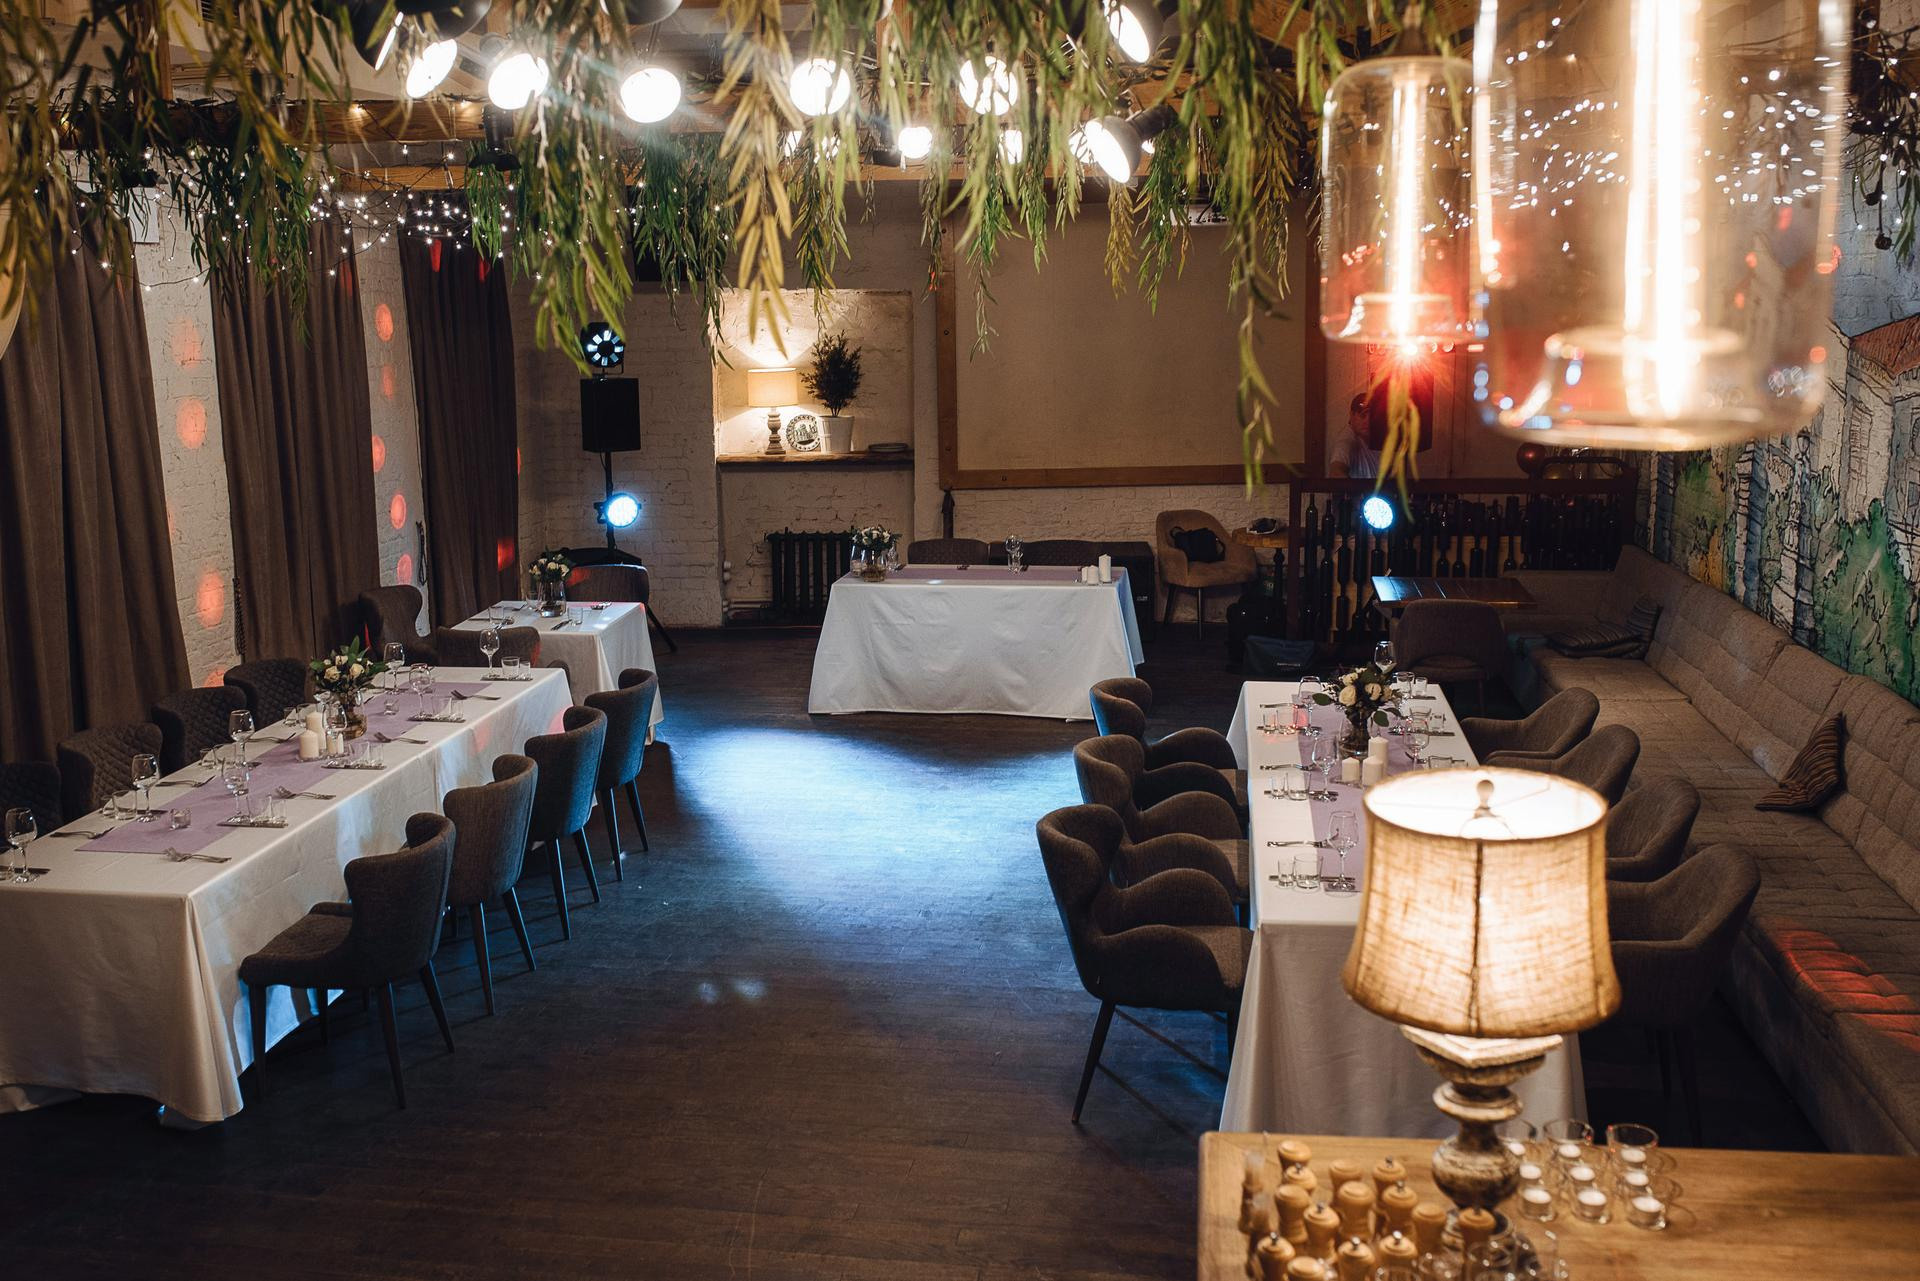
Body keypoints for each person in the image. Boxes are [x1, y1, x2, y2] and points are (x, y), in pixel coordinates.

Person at [1329, 391, 1379, 478]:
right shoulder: (1346, 439)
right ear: (1352, 415)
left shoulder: (1377, 440)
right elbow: (1335, 473)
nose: (1367, 421)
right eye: (1363, 415)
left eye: (1371, 417)